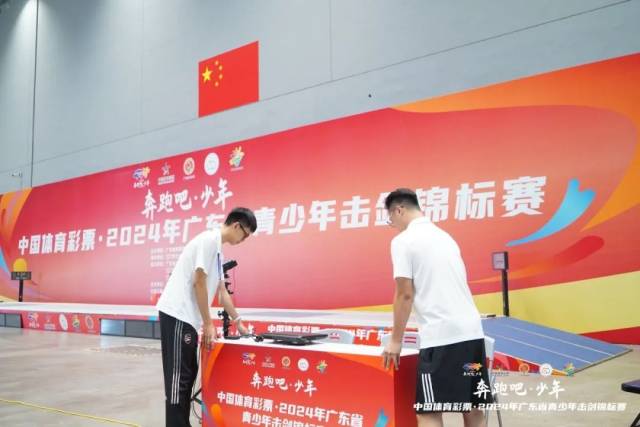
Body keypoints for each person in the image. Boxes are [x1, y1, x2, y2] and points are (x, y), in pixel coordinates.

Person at [381, 188, 492, 427]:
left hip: (442, 336)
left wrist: (395, 341)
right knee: (472, 407)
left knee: (428, 411)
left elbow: (404, 294)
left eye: (390, 220)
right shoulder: (445, 237)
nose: (393, 226)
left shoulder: (403, 241)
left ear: (399, 210)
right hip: (472, 334)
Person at [156, 207, 256, 427]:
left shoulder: (218, 250)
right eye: (245, 235)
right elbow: (198, 281)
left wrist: (239, 323)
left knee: (188, 375)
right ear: (237, 226)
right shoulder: (209, 240)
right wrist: (209, 323)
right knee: (179, 382)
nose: (243, 240)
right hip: (178, 314)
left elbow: (222, 293)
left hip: (188, 319)